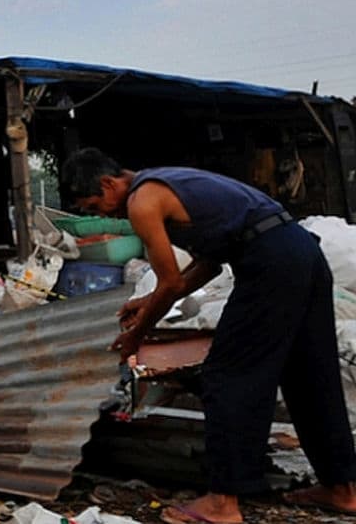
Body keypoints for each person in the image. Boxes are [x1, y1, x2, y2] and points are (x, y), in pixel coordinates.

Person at [60, 148, 356, 524]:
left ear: (107, 183)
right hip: (300, 251)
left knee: (228, 375)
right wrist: (149, 299)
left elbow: (168, 282)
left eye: (95, 205)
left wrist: (137, 336)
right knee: (310, 375)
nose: (103, 215)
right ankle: (342, 489)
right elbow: (209, 266)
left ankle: (223, 502)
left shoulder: (142, 201)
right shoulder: (167, 182)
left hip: (272, 263)